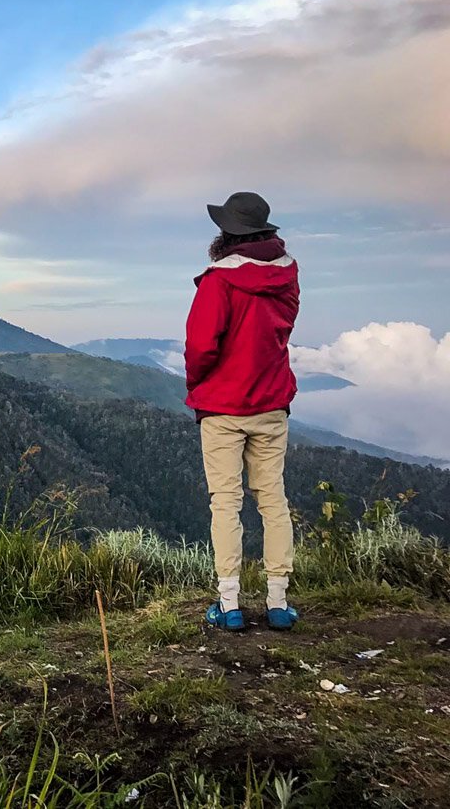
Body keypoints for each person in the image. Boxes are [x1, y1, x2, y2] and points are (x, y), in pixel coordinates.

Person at [185, 192, 300, 632]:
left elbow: (201, 346)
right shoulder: (288, 275)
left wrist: (199, 385)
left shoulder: (218, 282)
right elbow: (280, 331)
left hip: (223, 406)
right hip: (272, 401)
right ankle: (277, 602)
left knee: (226, 504)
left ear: (228, 234)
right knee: (273, 501)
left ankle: (229, 604)